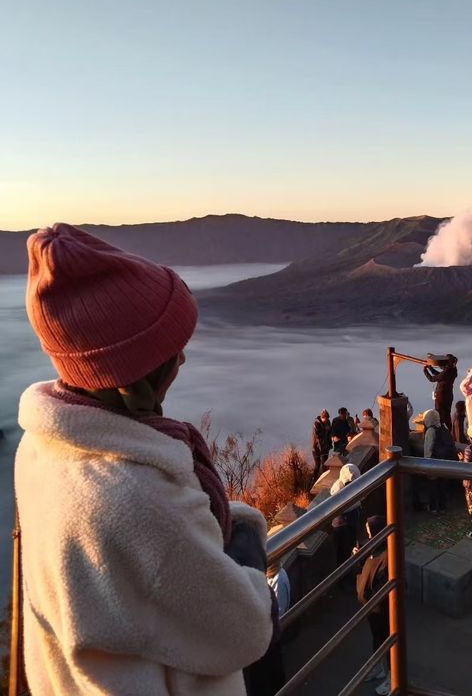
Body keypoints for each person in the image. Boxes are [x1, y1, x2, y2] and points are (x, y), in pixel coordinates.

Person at [15, 224, 274, 695]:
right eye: (172, 354)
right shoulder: (138, 500)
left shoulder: (39, 448)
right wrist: (247, 541)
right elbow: (246, 627)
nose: (181, 363)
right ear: (131, 384)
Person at [355, 515, 391, 696]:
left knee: (388, 642)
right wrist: (359, 557)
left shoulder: (387, 557)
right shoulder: (371, 548)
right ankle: (380, 668)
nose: (368, 536)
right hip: (371, 607)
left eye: (370, 532)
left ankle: (392, 677)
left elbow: (384, 586)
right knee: (377, 638)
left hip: (381, 609)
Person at [416, 409, 457, 514]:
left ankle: (433, 508)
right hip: (445, 464)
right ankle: (443, 508)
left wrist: (427, 467)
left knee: (433, 488)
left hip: (434, 465)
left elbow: (428, 450)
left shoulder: (431, 431)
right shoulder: (444, 428)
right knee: (442, 487)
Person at [330, 463, 362, 566]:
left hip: (347, 520)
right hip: (343, 523)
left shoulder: (341, 487)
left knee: (350, 546)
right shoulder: (338, 491)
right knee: (344, 552)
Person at [423, 354, 458, 431]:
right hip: (449, 395)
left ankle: (440, 432)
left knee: (439, 415)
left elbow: (432, 379)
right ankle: (449, 432)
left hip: (441, 396)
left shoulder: (446, 372)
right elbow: (439, 375)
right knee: (447, 415)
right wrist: (431, 368)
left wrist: (425, 371)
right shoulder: (453, 370)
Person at [311, 409, 332, 480]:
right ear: (322, 418)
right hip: (316, 447)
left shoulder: (328, 423)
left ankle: (324, 479)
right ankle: (314, 478)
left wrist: (330, 444)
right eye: (325, 419)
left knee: (324, 464)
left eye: (327, 419)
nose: (326, 421)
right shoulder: (316, 424)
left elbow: (329, 434)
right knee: (317, 464)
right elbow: (317, 437)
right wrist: (321, 447)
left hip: (325, 447)